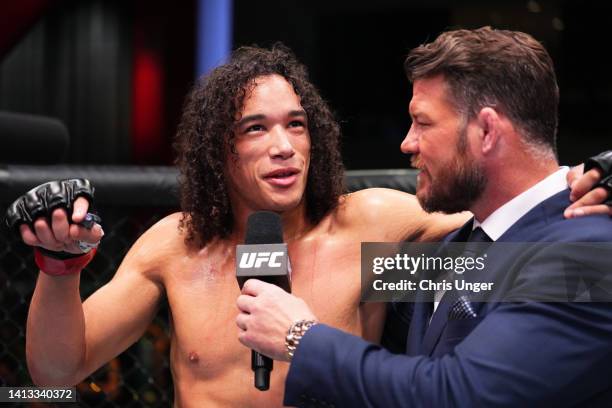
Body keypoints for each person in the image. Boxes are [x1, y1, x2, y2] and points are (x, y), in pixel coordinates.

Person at [8, 43, 610, 407]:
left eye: (296, 125)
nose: (283, 147)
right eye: (256, 129)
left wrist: (603, 179)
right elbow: (57, 372)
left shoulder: (372, 228)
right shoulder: (177, 247)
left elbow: (520, 232)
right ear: (219, 149)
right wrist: (60, 268)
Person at [237, 29, 612, 407]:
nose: (407, 142)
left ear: (486, 130)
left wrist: (300, 337)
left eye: (423, 123)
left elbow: (456, 395)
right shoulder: (451, 247)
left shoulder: (587, 253)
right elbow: (365, 307)